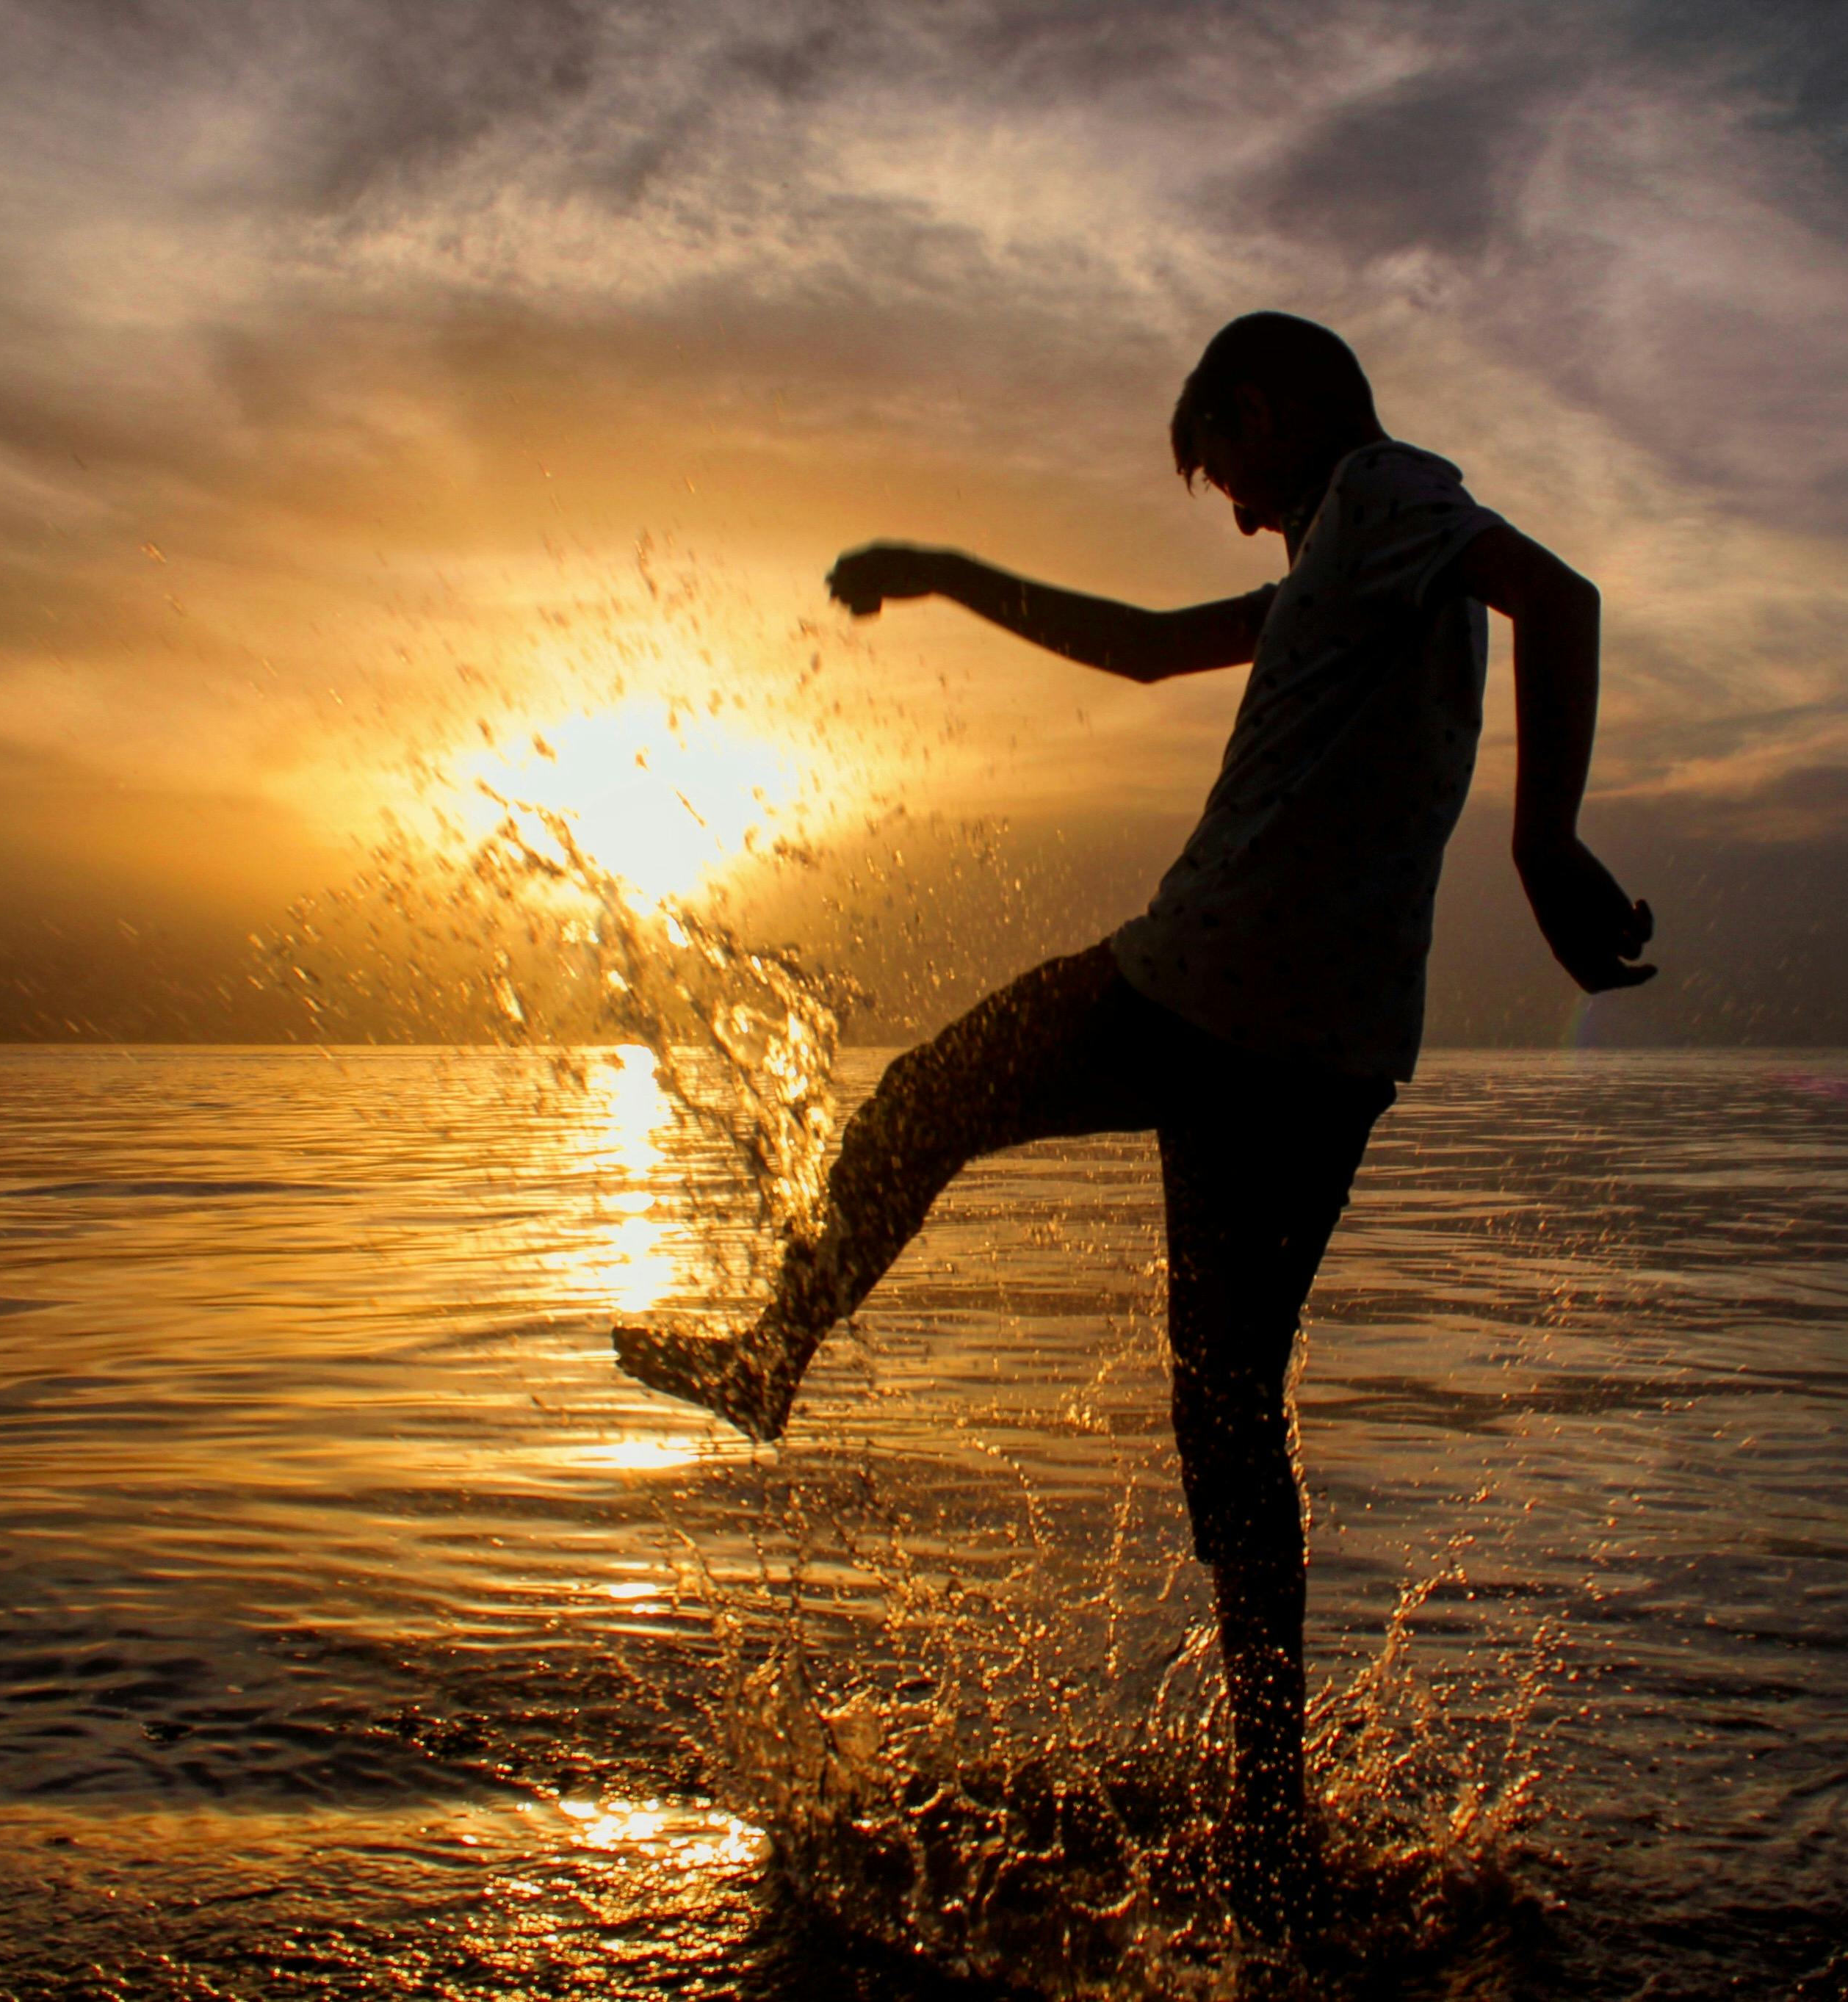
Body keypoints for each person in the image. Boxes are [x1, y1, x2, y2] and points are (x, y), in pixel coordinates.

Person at [614, 311, 1652, 1934]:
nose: (1238, 510)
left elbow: (1564, 597)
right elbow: (1150, 646)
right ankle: (1270, 1834)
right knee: (1229, 1421)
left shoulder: (1383, 498)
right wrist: (952, 572)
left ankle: (773, 1354)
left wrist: (1543, 843)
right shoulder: (1357, 561)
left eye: (1227, 467)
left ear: (1264, 410)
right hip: (1329, 1047)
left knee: (920, 1098)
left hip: (1197, 987)